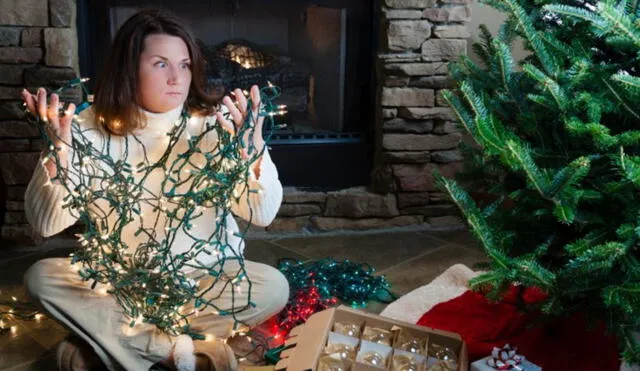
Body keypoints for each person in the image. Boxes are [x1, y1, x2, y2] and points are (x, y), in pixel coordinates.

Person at [20, 8, 288, 371]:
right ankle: (179, 351)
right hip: (116, 281)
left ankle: (107, 344)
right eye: (161, 64)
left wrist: (252, 153)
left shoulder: (218, 126)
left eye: (185, 64)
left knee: (273, 286)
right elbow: (46, 224)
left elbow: (262, 213)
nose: (177, 77)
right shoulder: (82, 129)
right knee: (42, 278)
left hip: (203, 279)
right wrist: (58, 153)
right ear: (129, 69)